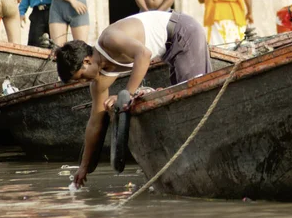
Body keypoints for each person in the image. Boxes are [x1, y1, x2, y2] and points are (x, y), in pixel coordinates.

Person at [56, 11, 212, 188]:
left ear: (86, 60)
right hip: (168, 51)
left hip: (183, 31)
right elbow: (95, 122)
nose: (84, 81)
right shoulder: (99, 83)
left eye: (82, 76)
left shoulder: (109, 39)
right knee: (184, 108)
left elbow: (143, 54)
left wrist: (127, 95)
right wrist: (84, 166)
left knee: (194, 102)